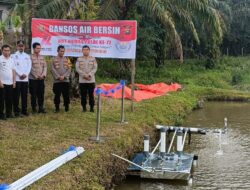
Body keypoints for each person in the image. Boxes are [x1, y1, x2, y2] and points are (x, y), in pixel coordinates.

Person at [12, 40, 32, 117]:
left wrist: (26, 74)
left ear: (24, 47)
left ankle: (24, 110)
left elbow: (29, 66)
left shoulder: (27, 56)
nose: (21, 47)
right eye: (19, 46)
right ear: (17, 46)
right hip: (17, 78)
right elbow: (13, 67)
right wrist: (20, 74)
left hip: (25, 79)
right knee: (16, 96)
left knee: (24, 95)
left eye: (22, 46)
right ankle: (16, 111)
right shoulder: (13, 56)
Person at [76, 45, 97, 112]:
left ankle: (91, 108)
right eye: (84, 49)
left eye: (87, 49)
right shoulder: (79, 59)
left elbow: (95, 68)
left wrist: (89, 75)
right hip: (82, 80)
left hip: (91, 80)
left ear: (89, 50)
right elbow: (77, 68)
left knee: (91, 95)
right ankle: (84, 108)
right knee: (83, 95)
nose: (85, 51)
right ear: (82, 51)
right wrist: (84, 75)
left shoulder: (93, 59)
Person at [51, 45, 71, 112]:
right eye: (61, 51)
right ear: (57, 51)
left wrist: (64, 76)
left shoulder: (67, 59)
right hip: (57, 81)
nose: (62, 52)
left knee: (66, 95)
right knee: (57, 95)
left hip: (65, 81)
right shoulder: (54, 59)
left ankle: (66, 107)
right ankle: (57, 108)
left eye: (63, 51)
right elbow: (52, 69)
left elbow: (69, 69)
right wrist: (58, 76)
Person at [29, 42, 47, 113]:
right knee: (33, 94)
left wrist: (43, 75)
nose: (39, 50)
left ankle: (41, 108)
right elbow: (29, 68)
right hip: (33, 79)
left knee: (41, 94)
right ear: (34, 49)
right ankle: (34, 108)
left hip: (41, 79)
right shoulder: (30, 57)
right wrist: (36, 76)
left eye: (40, 48)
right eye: (37, 48)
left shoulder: (42, 57)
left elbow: (45, 67)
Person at [0, 44, 16, 120]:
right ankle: (1, 114)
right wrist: (0, 82)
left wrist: (14, 82)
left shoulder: (12, 59)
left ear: (10, 51)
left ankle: (9, 113)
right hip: (2, 83)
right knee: (1, 99)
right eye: (5, 50)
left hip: (10, 83)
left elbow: (13, 71)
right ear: (2, 50)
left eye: (8, 50)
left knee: (9, 99)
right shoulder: (0, 59)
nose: (7, 52)